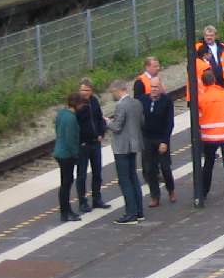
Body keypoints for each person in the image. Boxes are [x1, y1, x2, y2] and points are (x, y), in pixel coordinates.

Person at [197, 70, 224, 205]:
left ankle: (203, 192)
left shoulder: (201, 99)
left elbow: (198, 118)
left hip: (208, 137)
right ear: (214, 80)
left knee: (208, 164)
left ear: (204, 83)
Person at [107, 78, 145, 224]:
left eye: (113, 92)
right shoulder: (137, 103)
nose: (113, 95)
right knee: (133, 177)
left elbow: (117, 127)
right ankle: (139, 211)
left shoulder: (121, 105)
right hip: (134, 145)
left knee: (125, 181)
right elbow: (142, 122)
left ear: (119, 90)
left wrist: (107, 122)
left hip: (122, 147)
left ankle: (131, 214)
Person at [139, 75, 176, 207]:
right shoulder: (143, 100)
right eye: (152, 87)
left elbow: (169, 123)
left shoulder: (167, 101)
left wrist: (165, 141)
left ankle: (171, 189)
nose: (154, 89)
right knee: (150, 169)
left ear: (161, 87)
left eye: (156, 87)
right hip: (147, 139)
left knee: (165, 167)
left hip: (161, 138)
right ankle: (155, 196)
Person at [74, 78, 110, 212]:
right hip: (83, 144)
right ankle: (82, 201)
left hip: (95, 142)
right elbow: (75, 125)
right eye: (82, 90)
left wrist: (101, 133)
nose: (84, 92)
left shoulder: (94, 101)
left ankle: (97, 198)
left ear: (91, 91)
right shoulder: (77, 105)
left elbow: (100, 118)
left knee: (97, 172)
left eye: (87, 90)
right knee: (82, 174)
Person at [53, 92, 84, 223]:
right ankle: (65, 212)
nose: (82, 106)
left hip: (59, 151)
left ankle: (66, 211)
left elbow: (57, 130)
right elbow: (71, 139)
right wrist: (75, 154)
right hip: (66, 154)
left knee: (65, 182)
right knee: (66, 183)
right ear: (76, 104)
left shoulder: (61, 114)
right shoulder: (71, 118)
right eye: (81, 104)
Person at [195, 25, 224, 89]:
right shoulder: (198, 48)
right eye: (206, 35)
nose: (209, 37)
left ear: (215, 36)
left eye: (211, 35)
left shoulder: (222, 47)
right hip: (207, 83)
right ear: (204, 36)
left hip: (222, 81)